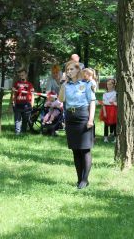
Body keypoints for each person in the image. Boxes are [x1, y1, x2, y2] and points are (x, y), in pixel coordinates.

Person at [59, 60, 95, 189]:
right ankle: (79, 179)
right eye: (67, 70)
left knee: (84, 149)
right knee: (75, 150)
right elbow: (61, 99)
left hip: (83, 116)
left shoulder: (86, 84)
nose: (69, 72)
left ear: (78, 70)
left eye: (71, 69)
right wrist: (63, 85)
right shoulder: (66, 85)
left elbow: (92, 102)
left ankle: (85, 180)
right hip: (70, 117)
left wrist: (90, 119)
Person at [12, 68, 35, 135]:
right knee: (17, 120)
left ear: (26, 75)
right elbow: (14, 94)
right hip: (18, 104)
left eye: (23, 75)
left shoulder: (29, 84)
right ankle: (17, 133)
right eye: (20, 75)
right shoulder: (16, 83)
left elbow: (33, 95)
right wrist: (13, 102)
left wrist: (32, 105)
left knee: (25, 120)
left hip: (26, 105)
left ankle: (23, 133)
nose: (21, 76)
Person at [99, 78, 117, 143]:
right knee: (106, 124)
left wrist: (114, 103)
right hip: (106, 109)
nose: (108, 86)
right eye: (107, 84)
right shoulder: (105, 94)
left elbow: (116, 102)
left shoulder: (116, 93)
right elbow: (103, 103)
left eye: (110, 84)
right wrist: (104, 112)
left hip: (113, 110)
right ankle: (105, 138)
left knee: (115, 124)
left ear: (114, 85)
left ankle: (115, 138)